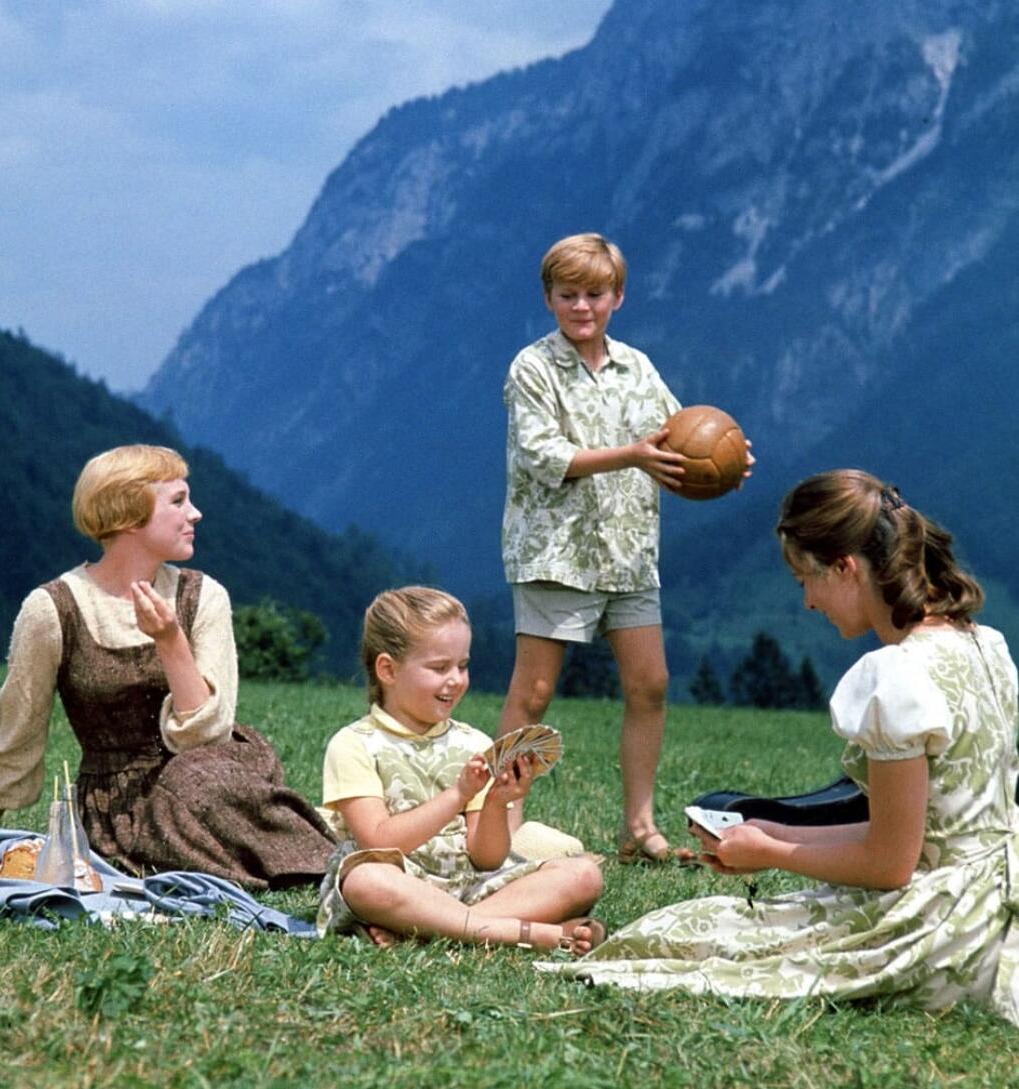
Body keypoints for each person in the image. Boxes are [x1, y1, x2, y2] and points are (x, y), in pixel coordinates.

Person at [543, 469, 1019, 1026]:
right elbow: (918, 834)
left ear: (846, 567)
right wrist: (771, 833)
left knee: (685, 938)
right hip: (994, 899)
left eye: (805, 580)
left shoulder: (899, 675)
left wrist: (769, 854)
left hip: (947, 928)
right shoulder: (984, 644)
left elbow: (891, 864)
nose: (809, 602)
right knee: (696, 928)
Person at [0, 444, 335, 891]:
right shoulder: (52, 609)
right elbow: (17, 740)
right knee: (189, 789)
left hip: (215, 774)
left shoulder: (204, 596)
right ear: (128, 514)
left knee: (197, 779)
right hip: (120, 808)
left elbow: (207, 737)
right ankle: (327, 869)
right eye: (179, 501)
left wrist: (170, 640)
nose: (196, 513)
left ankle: (336, 871)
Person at [499, 232, 713, 864]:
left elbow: (680, 436)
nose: (582, 306)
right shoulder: (532, 368)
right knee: (533, 693)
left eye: (595, 294)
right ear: (549, 299)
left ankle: (639, 829)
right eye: (568, 295)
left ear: (618, 296)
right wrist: (631, 455)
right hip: (554, 552)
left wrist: (724, 458)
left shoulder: (637, 367)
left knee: (651, 684)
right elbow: (543, 457)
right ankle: (500, 824)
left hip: (628, 553)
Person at [316, 586, 607, 952]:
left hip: (470, 887)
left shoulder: (474, 744)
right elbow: (378, 841)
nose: (456, 679)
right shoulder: (353, 744)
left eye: (463, 665)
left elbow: (486, 858)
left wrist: (496, 804)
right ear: (388, 669)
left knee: (583, 874)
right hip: (399, 882)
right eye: (439, 668)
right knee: (366, 883)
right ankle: (519, 933)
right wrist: (458, 795)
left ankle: (426, 929)